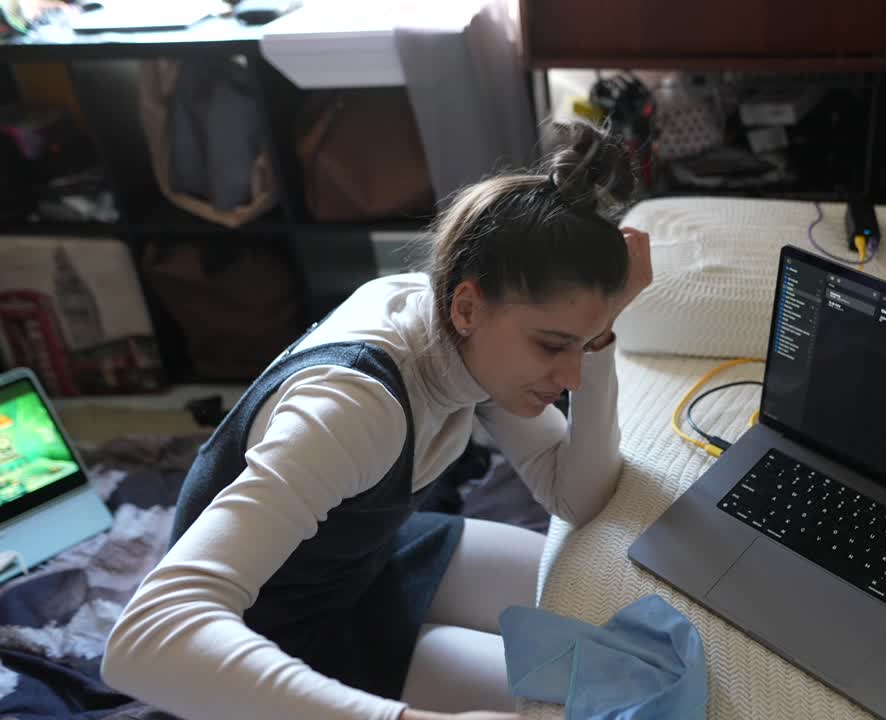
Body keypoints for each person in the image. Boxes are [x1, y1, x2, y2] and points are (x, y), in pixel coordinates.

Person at [101, 121, 653, 720]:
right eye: (552, 345)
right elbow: (145, 639)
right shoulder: (352, 406)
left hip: (365, 555)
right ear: (467, 307)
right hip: (277, 627)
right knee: (585, 700)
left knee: (606, 606)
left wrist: (600, 336)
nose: (572, 378)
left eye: (584, 345)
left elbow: (575, 495)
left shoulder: (464, 330)